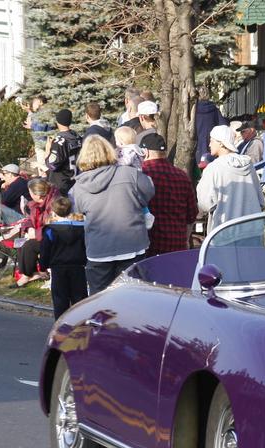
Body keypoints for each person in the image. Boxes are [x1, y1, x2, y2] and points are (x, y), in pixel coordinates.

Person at [70, 135, 155, 293]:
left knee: (100, 301)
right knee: (132, 297)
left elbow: (77, 211)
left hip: (99, 249)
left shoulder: (78, 187)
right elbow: (149, 192)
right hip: (132, 245)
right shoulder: (130, 174)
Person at [196, 125, 264, 243]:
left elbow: (205, 204)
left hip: (224, 233)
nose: (209, 145)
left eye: (211, 141)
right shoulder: (248, 165)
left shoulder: (213, 169)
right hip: (252, 231)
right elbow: (260, 202)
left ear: (221, 143)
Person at [140, 133, 197, 255]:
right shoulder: (182, 176)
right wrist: (185, 240)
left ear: (146, 152)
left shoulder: (140, 174)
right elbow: (191, 215)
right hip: (176, 246)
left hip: (149, 247)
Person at [39, 196, 87, 318]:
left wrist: (43, 266)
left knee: (60, 300)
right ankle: (80, 325)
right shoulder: (81, 228)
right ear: (71, 210)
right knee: (80, 299)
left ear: (53, 212)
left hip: (58, 267)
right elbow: (86, 246)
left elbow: (45, 250)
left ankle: (61, 327)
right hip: (78, 267)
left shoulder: (50, 230)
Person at [11, 178, 56, 288]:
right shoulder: (36, 204)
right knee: (20, 242)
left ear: (37, 194)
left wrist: (36, 233)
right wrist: (29, 228)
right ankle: (32, 273)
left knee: (29, 245)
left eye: (30, 192)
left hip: (54, 238)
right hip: (42, 234)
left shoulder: (54, 204)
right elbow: (30, 220)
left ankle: (28, 275)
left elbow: (54, 226)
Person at [45, 109, 82, 195]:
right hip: (75, 180)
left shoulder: (60, 141)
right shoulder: (77, 136)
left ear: (57, 122)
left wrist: (47, 150)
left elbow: (52, 165)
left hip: (61, 184)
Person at [0, 164, 30, 229]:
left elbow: (1, 200)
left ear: (10, 174)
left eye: (4, 174)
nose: (2, 178)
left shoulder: (18, 184)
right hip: (19, 215)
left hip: (23, 219)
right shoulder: (19, 182)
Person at [195, 86, 227, 167]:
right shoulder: (214, 109)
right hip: (211, 145)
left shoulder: (193, 110)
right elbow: (224, 126)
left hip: (196, 145)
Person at [23, 96, 53, 172]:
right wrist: (29, 112)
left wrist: (31, 125)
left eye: (34, 102)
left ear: (40, 102)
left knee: (43, 169)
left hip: (43, 145)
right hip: (43, 144)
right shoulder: (42, 112)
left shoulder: (43, 113)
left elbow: (40, 130)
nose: (32, 104)